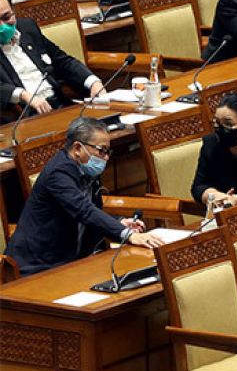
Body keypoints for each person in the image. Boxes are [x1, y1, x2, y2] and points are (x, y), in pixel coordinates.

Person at [6, 117, 164, 275]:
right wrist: (127, 235)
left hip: (73, 261)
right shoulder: (58, 174)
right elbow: (84, 210)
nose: (106, 157)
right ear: (77, 148)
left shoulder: (87, 167)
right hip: (37, 267)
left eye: (107, 151)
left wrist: (119, 222)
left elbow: (93, 210)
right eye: (101, 150)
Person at [0, 0, 105, 120]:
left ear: (13, 12)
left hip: (58, 104)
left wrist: (93, 82)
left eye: (6, 17)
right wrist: (23, 95)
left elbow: (62, 61)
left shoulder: (27, 28)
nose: (2, 26)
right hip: (22, 116)